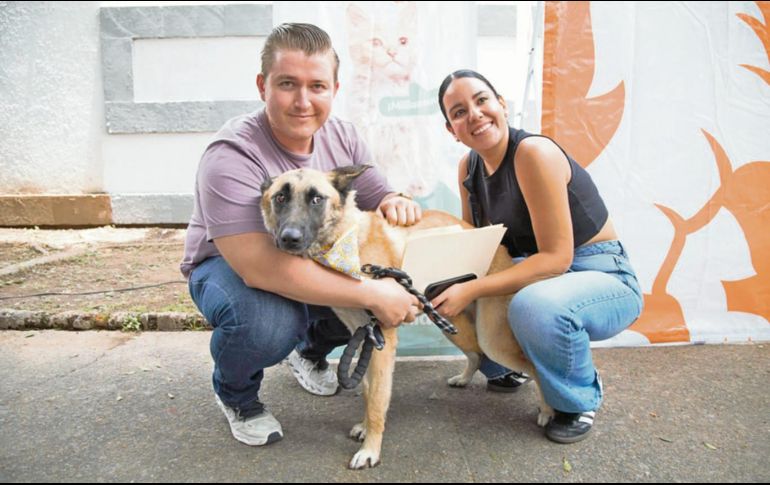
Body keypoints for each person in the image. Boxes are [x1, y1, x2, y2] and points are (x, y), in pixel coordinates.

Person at [180, 23, 423, 447]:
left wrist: (396, 200)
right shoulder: (232, 155)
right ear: (262, 85)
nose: (303, 101)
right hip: (228, 265)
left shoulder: (342, 135)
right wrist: (373, 294)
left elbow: (378, 193)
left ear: (334, 88)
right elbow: (259, 267)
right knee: (269, 322)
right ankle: (237, 394)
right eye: (288, 84)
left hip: (305, 255)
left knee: (362, 275)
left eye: (317, 86)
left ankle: (308, 351)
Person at [434, 69, 644, 444]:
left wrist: (472, 290)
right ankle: (502, 367)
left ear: (502, 104)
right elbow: (476, 248)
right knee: (448, 285)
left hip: (600, 272)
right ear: (451, 129)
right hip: (539, 269)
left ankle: (577, 399)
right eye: (459, 111)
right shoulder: (469, 166)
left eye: (482, 100)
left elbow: (556, 259)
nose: (475, 114)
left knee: (532, 305)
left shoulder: (533, 153)